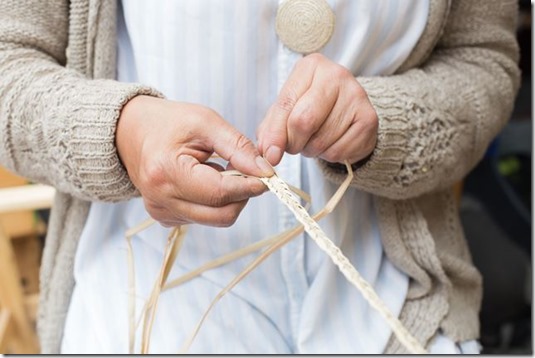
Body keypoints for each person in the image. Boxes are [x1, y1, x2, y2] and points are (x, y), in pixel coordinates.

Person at [0, 0, 520, 354]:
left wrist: (384, 122)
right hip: (143, 306)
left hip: (395, 301)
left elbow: (483, 61)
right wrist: (123, 133)